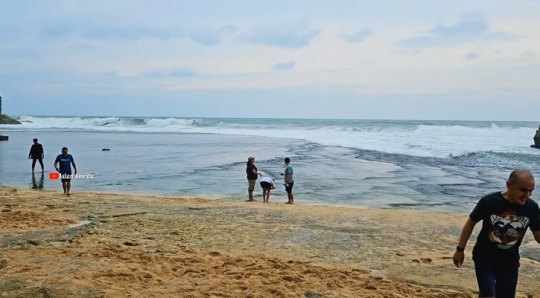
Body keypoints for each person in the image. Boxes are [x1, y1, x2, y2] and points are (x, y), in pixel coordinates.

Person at [453, 169, 540, 298]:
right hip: (484, 258)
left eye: (531, 191)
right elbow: (470, 223)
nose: (527, 195)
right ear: (509, 185)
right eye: (523, 190)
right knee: (488, 293)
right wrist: (460, 249)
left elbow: (538, 236)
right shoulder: (489, 202)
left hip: (509, 261)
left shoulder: (531, 208)